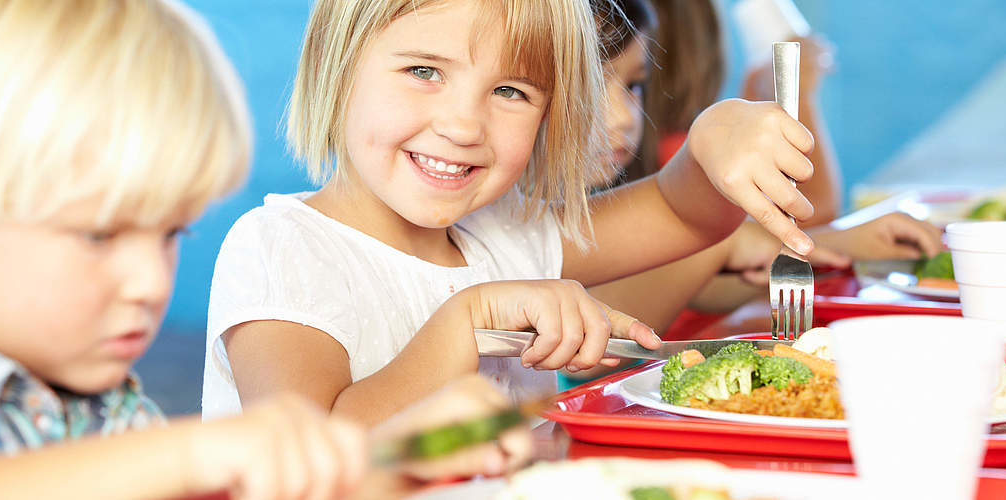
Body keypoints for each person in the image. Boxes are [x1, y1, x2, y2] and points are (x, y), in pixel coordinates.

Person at [0, 1, 527, 499]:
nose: (148, 283)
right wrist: (192, 453)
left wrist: (389, 459)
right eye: (99, 235)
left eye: (168, 236)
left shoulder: (100, 400)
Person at [205, 0, 822, 425]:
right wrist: (468, 318)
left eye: (510, 91)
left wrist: (714, 138)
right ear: (337, 71)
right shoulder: (284, 249)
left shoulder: (507, 233)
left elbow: (679, 211)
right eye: (424, 72)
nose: (464, 125)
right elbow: (312, 452)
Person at [580, 0, 942, 353]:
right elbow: (607, 329)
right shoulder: (540, 224)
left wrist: (834, 247)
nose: (622, 117)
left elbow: (699, 281)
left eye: (633, 86)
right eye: (588, 87)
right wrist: (729, 241)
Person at [641, 0, 841, 227]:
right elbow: (811, 214)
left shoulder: (663, 148)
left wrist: (756, 95)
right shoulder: (676, 154)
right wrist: (792, 89)